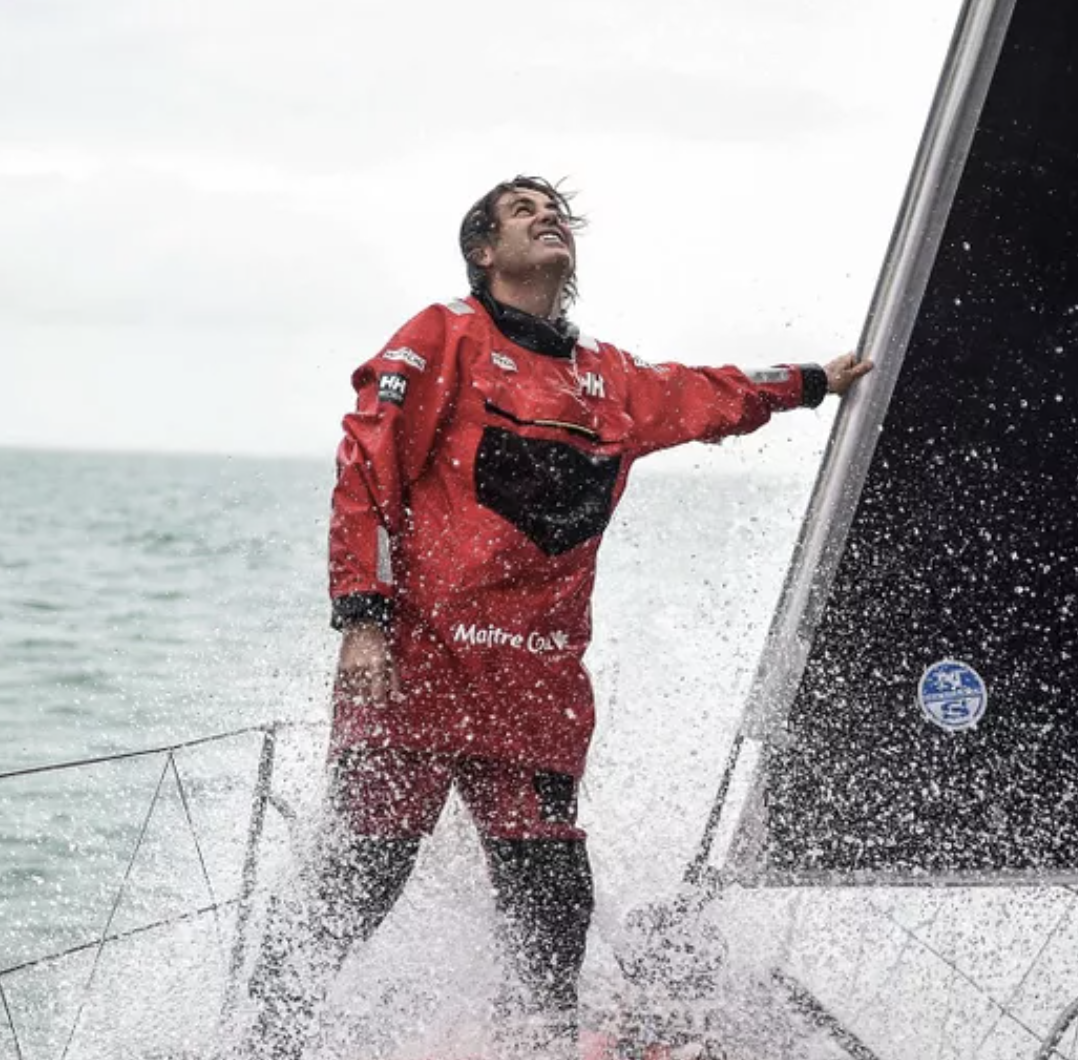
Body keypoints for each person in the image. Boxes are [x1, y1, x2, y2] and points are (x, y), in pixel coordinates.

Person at [243, 176, 872, 1059]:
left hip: (534, 689)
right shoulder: (442, 335)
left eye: (554, 209)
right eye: (522, 209)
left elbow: (703, 393)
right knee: (360, 875)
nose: (547, 216)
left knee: (553, 898)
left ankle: (534, 1047)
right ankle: (256, 1040)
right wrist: (361, 617)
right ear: (483, 251)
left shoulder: (608, 378)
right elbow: (367, 466)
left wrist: (809, 382)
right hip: (416, 665)